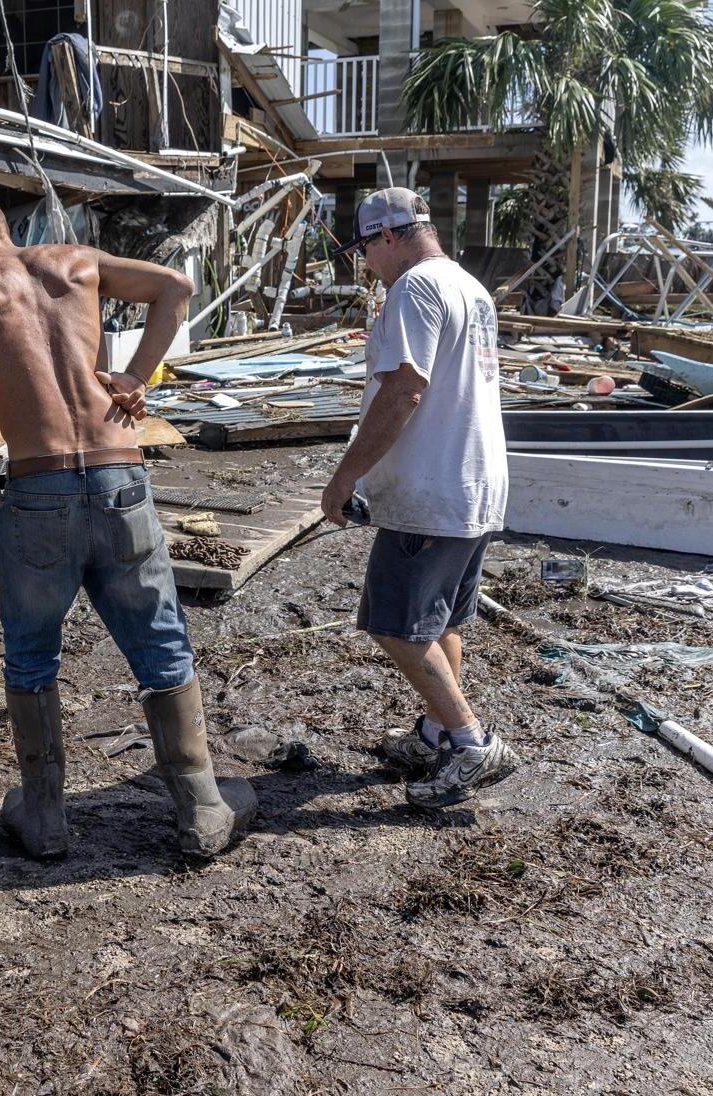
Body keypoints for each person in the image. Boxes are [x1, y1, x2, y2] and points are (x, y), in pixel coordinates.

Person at [0, 194, 256, 860]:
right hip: (118, 479)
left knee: (30, 652)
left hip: (38, 485)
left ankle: (45, 820)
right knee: (159, 641)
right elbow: (176, 287)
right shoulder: (75, 261)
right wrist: (136, 376)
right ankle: (200, 811)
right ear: (3, 230)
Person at [319, 187, 519, 809]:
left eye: (365, 251)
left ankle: (468, 742)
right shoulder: (469, 286)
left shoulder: (415, 289)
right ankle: (438, 731)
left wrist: (346, 475)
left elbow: (405, 391)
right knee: (441, 621)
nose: (367, 265)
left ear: (388, 236)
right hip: (473, 481)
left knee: (398, 625)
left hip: (432, 487)